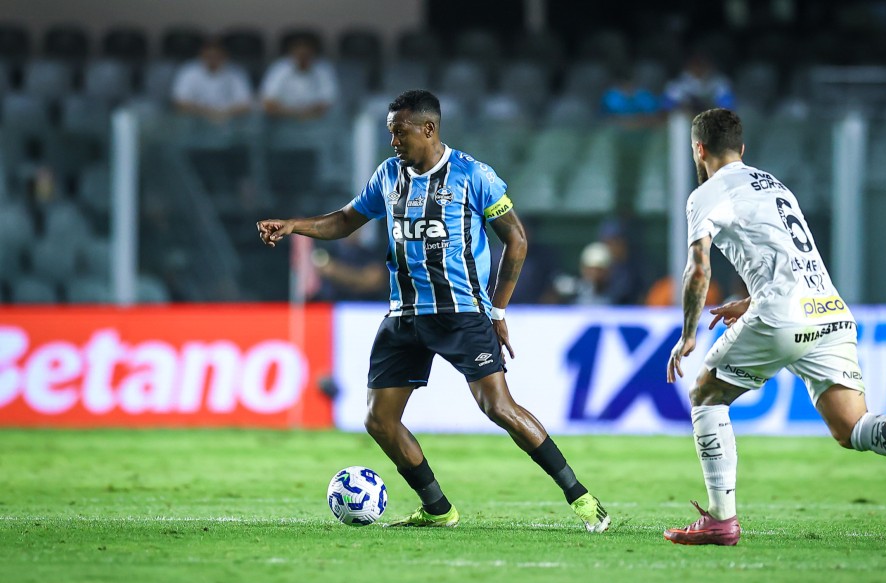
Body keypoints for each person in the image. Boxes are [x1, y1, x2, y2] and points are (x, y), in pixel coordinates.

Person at [257, 90, 610, 532]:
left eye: (399, 132)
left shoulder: (473, 175)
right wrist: (295, 226)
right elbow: (345, 220)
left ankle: (581, 497)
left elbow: (516, 239)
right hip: (404, 314)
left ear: (428, 129)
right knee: (379, 420)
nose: (393, 142)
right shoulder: (388, 175)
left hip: (460, 312)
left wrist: (497, 311)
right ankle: (438, 509)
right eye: (390, 133)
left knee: (498, 407)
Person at [663, 108, 886, 546]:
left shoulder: (706, 194)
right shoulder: (774, 185)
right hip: (828, 310)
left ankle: (721, 520)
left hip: (782, 314)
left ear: (699, 149)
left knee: (706, 395)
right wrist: (750, 301)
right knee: (852, 426)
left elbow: (698, 269)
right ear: (743, 148)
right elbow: (791, 258)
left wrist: (688, 334)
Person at [171, 37, 253, 122]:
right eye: (209, 56)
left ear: (225, 56)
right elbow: (179, 102)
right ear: (201, 55)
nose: (212, 59)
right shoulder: (188, 71)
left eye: (217, 56)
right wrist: (207, 113)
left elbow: (245, 105)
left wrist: (223, 114)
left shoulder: (236, 73)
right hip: (195, 119)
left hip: (228, 120)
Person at [259, 34, 338, 120]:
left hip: (317, 120)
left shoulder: (324, 69)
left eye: (306, 53)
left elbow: (327, 103)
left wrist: (304, 114)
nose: (302, 56)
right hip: (284, 120)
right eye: (299, 52)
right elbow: (268, 103)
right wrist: (297, 114)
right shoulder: (279, 68)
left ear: (313, 52)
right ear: (292, 52)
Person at [662, 52, 735, 113]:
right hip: (687, 116)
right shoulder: (679, 82)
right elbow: (667, 106)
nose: (699, 67)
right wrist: (684, 106)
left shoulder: (718, 81)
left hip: (711, 115)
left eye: (702, 64)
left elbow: (727, 105)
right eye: (696, 64)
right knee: (678, 116)